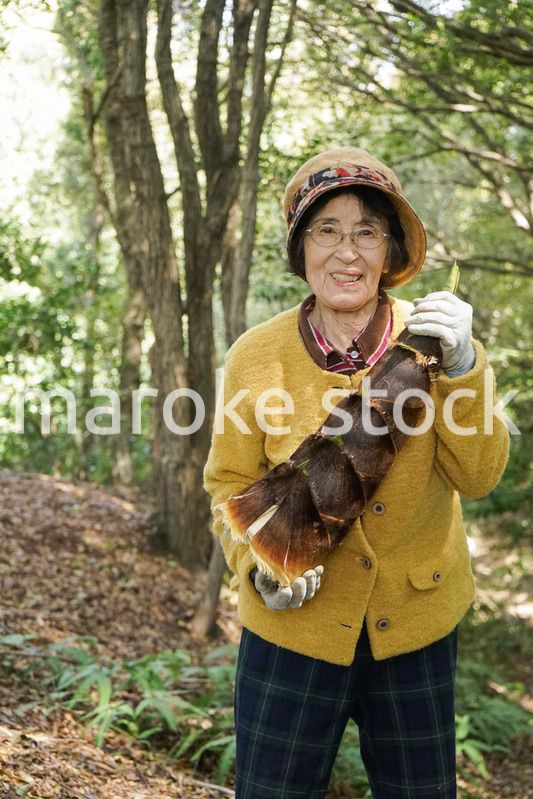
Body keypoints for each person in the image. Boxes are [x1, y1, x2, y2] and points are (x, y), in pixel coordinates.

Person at [203, 147, 509, 799]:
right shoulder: (254, 357)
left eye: (367, 231)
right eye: (327, 230)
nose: (348, 252)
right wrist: (255, 565)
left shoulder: (435, 342)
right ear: (300, 248)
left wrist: (461, 370)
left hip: (414, 626)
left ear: (389, 249)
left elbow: (479, 475)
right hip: (291, 628)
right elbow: (227, 485)